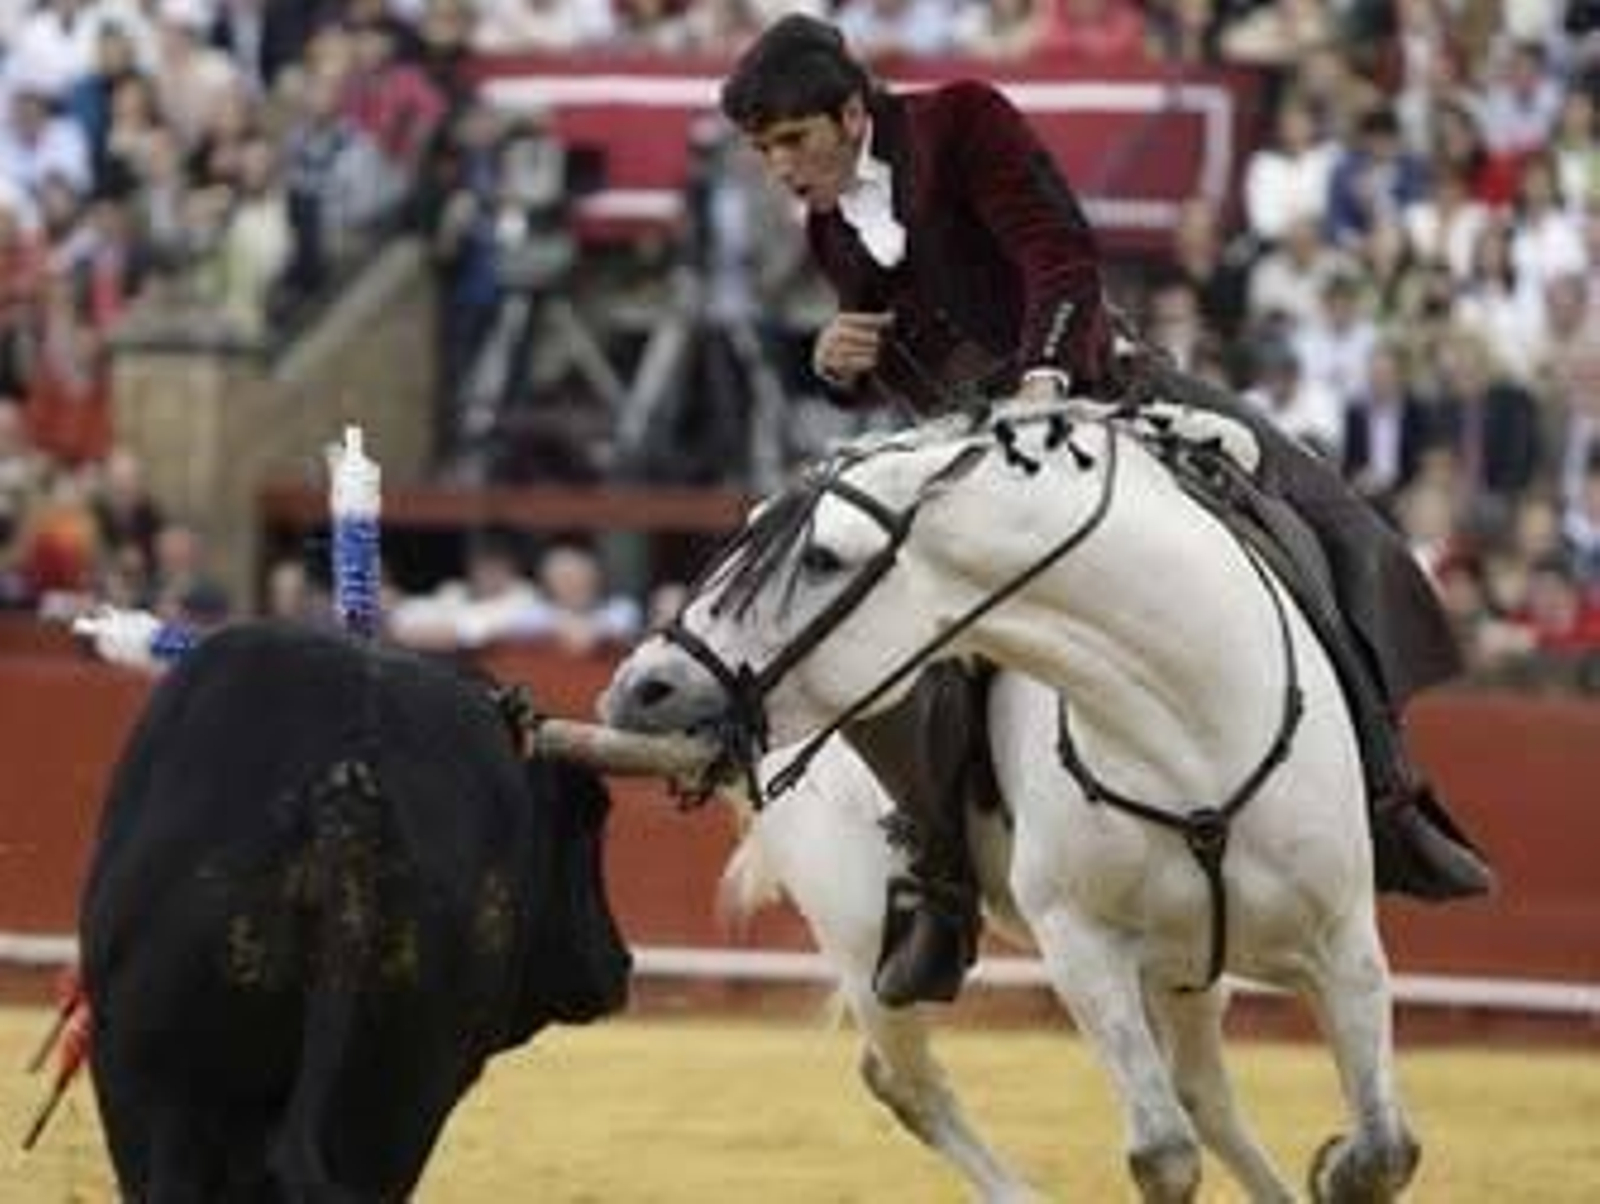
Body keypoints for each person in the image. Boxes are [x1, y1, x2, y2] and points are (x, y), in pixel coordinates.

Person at [718, 14, 1490, 1010]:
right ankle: (944, 883)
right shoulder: (829, 227)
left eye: (792, 141)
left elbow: (1057, 252)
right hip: (966, 454)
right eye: (763, 149)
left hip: (1102, 387)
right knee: (894, 632)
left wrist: (1045, 371)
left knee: (1326, 514)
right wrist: (843, 368)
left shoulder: (963, 120)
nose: (781, 166)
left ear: (851, 112)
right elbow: (900, 362)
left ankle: (1390, 797)